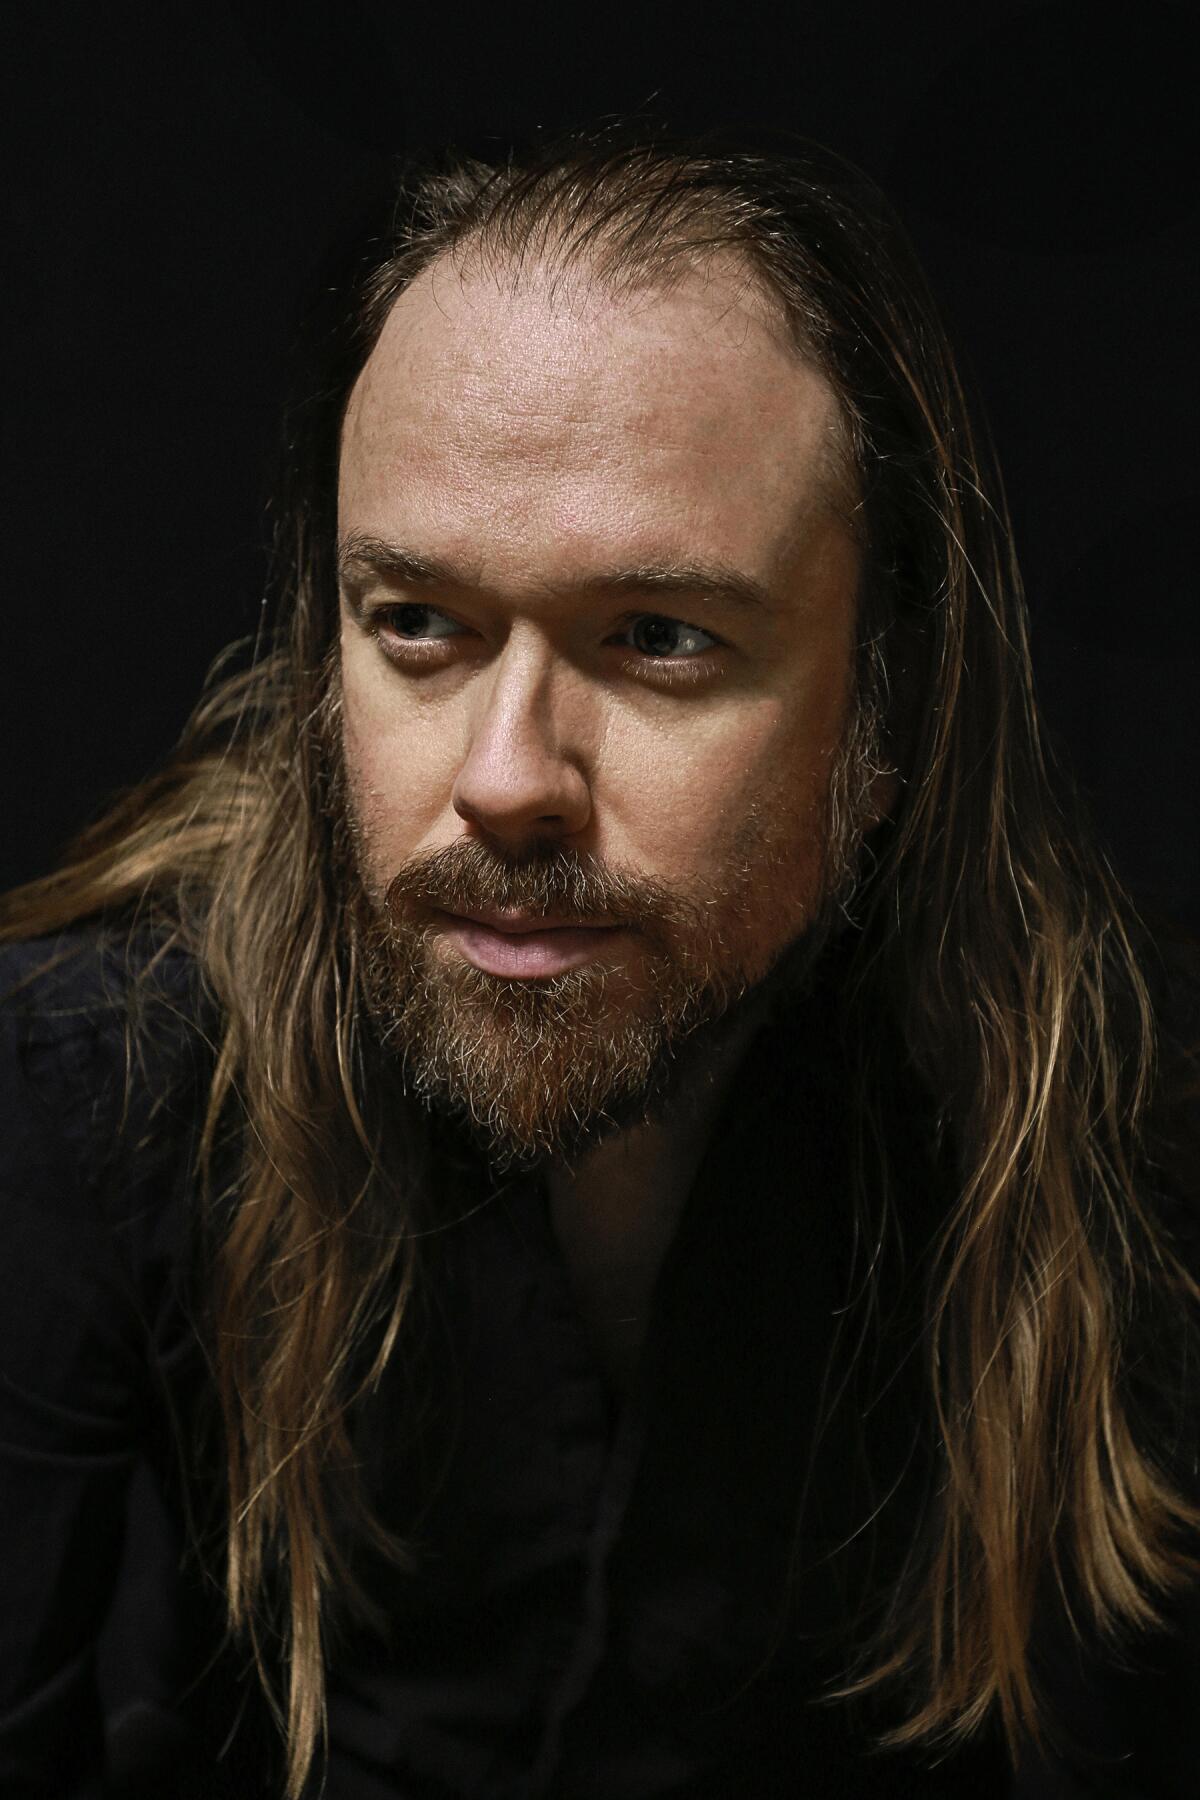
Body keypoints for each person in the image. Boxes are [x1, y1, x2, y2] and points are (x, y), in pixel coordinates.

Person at [1, 126, 1198, 1800]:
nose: (503, 778)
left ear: (895, 695)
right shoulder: (96, 1078)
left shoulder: (1105, 1135)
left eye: (659, 638)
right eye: (417, 620)